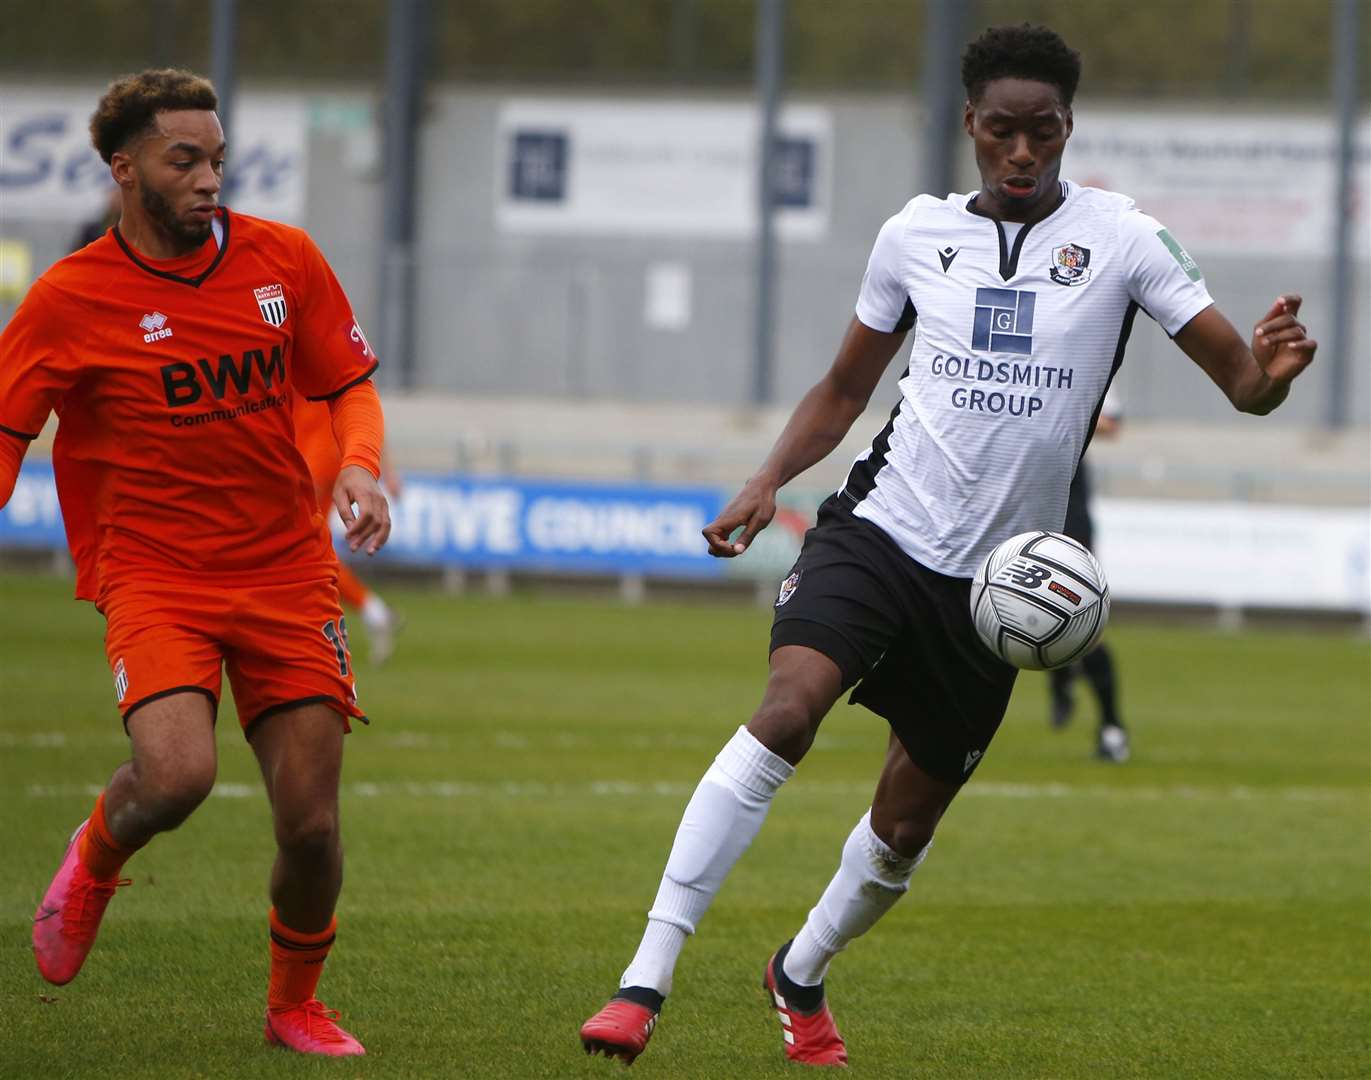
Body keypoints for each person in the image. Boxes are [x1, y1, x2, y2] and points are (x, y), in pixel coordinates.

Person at [579, 23, 1316, 1068]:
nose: (1024, 154)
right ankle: (644, 979)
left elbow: (1243, 385)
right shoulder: (914, 235)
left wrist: (1274, 375)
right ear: (970, 126)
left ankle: (799, 971)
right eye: (1004, 133)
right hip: (881, 531)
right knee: (787, 709)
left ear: (1068, 129)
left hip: (1000, 593)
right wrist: (765, 478)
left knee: (902, 830)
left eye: (1044, 133)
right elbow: (845, 390)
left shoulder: (1125, 240)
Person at [0, 69, 391, 1057]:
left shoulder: (284, 261)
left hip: (286, 575)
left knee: (310, 827)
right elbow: (7, 432)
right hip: (155, 580)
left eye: (218, 158)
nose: (211, 177)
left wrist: (362, 469)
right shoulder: (68, 300)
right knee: (174, 778)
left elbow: (348, 387)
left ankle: (293, 1005)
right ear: (125, 170)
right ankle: (97, 852)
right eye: (186, 160)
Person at [293, 393, 402, 664]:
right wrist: (387, 470)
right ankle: (374, 613)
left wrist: (387, 470)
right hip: (319, 458)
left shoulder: (295, 356)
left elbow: (361, 399)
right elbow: (364, 403)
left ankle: (364, 614)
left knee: (304, 545)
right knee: (310, 546)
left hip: (315, 461)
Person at [1049, 393, 1129, 762]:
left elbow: (1113, 423)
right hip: (1016, 510)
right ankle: (1060, 677)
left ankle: (1112, 727)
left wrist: (1071, 415)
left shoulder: (1075, 366)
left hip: (1069, 516)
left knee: (1083, 625)